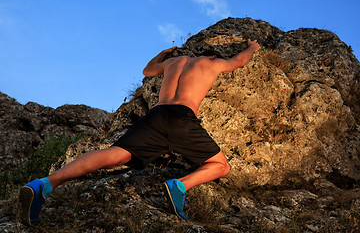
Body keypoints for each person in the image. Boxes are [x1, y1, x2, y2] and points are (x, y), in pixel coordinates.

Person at [19, 39, 261, 225]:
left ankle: (44, 184)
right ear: (211, 55)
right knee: (221, 165)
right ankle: (179, 186)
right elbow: (238, 61)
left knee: (115, 154)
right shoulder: (211, 62)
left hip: (155, 116)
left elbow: (147, 71)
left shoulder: (172, 63)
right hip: (182, 118)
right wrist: (251, 47)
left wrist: (163, 53)